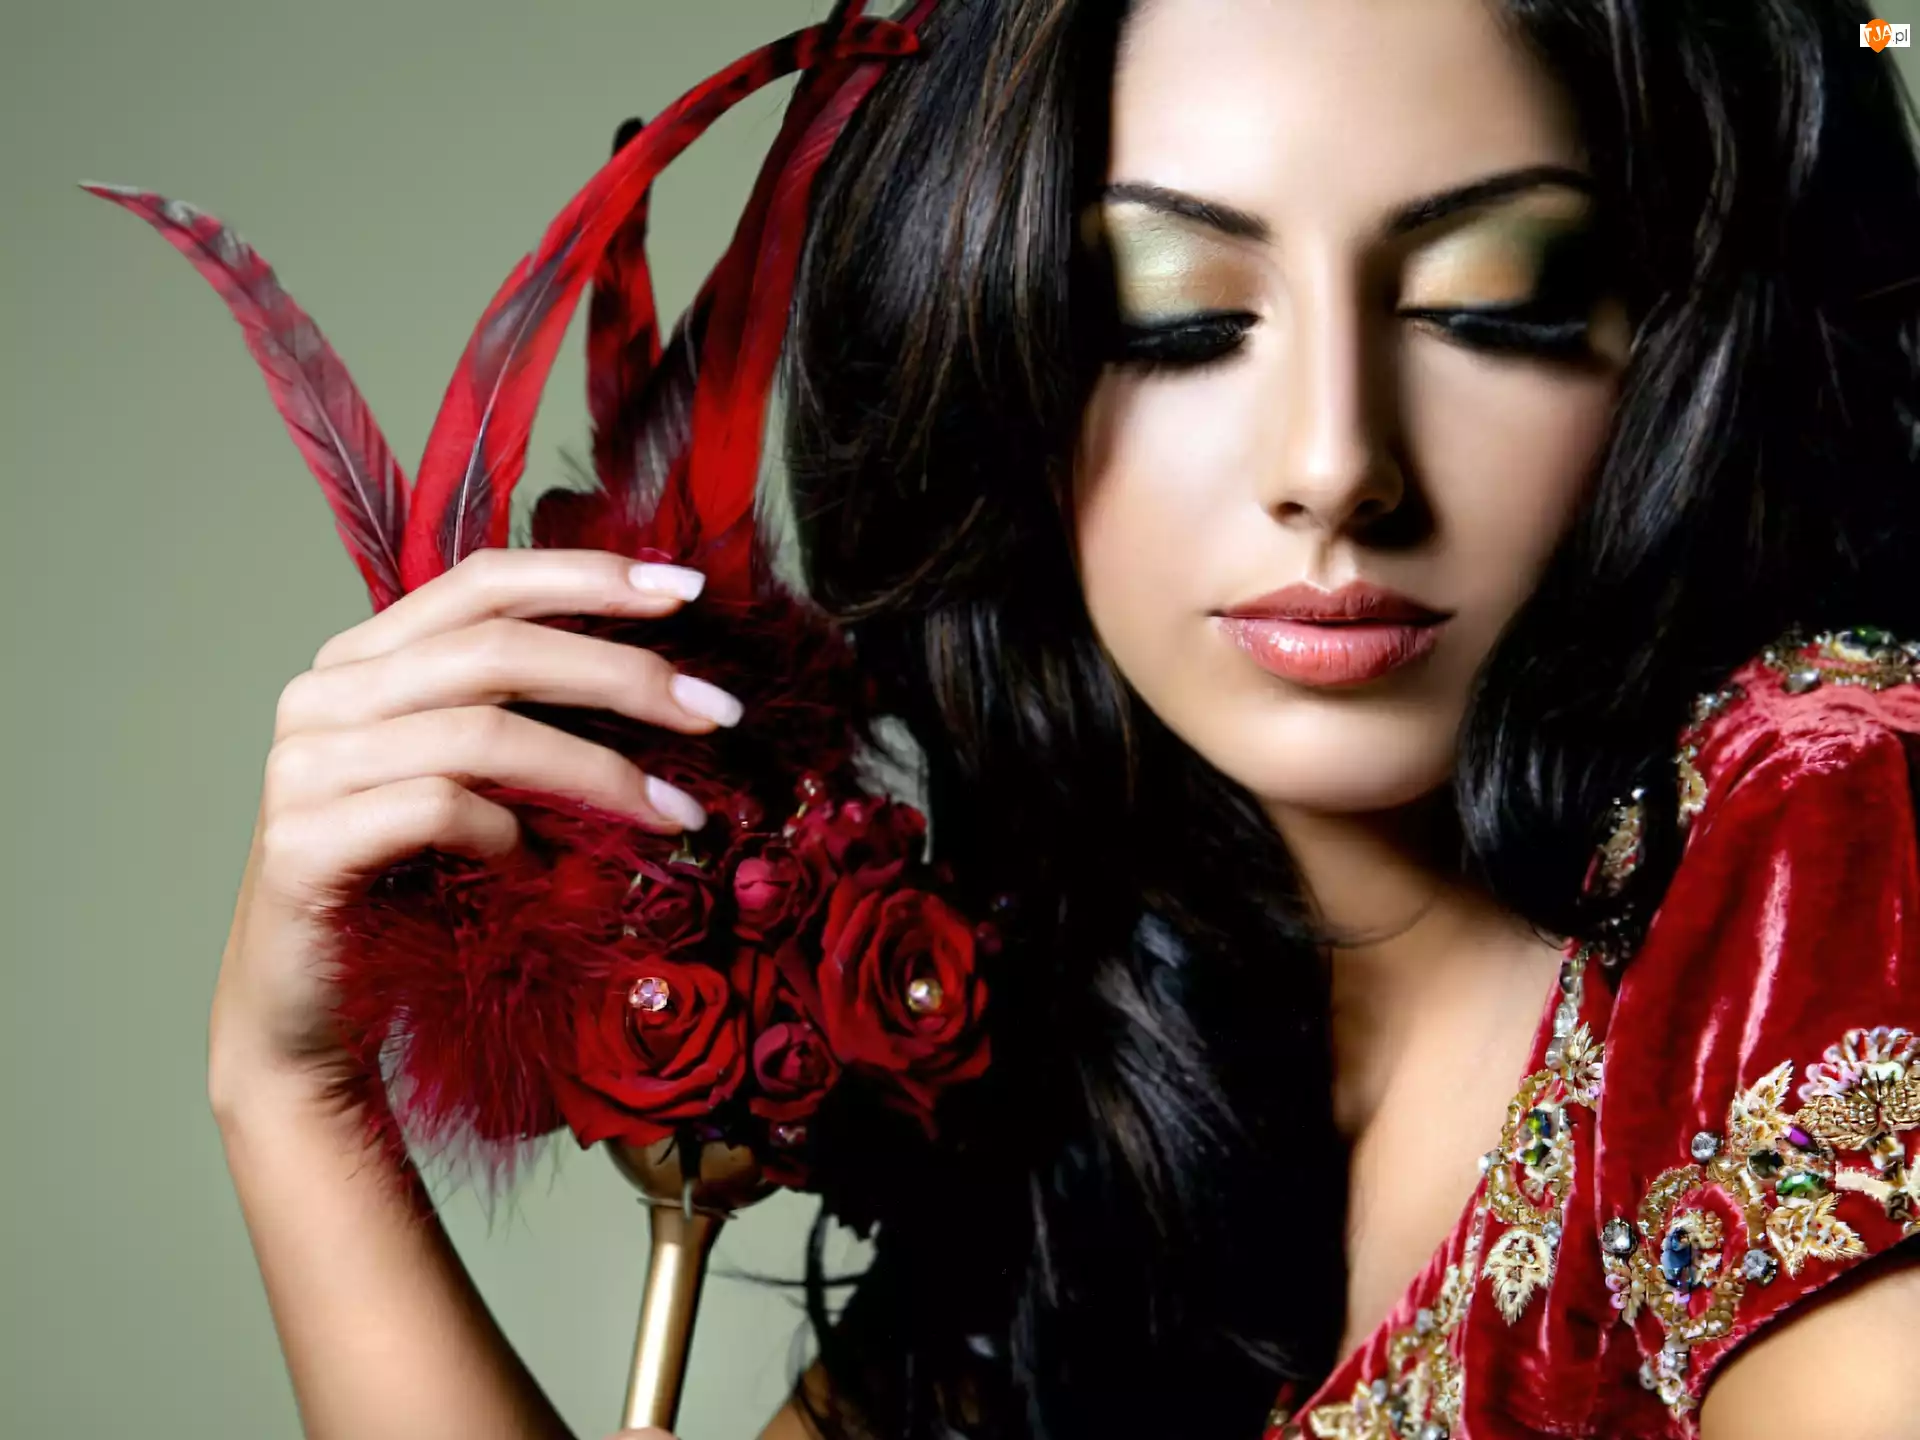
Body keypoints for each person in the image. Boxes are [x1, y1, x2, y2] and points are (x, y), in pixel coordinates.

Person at [205, 0, 1920, 1437]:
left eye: (1492, 298)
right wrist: (294, 1102)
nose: (1335, 463)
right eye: (1173, 319)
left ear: (1678, 335)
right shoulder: (1111, 1068)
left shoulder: (1823, 811)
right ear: (995, 359)